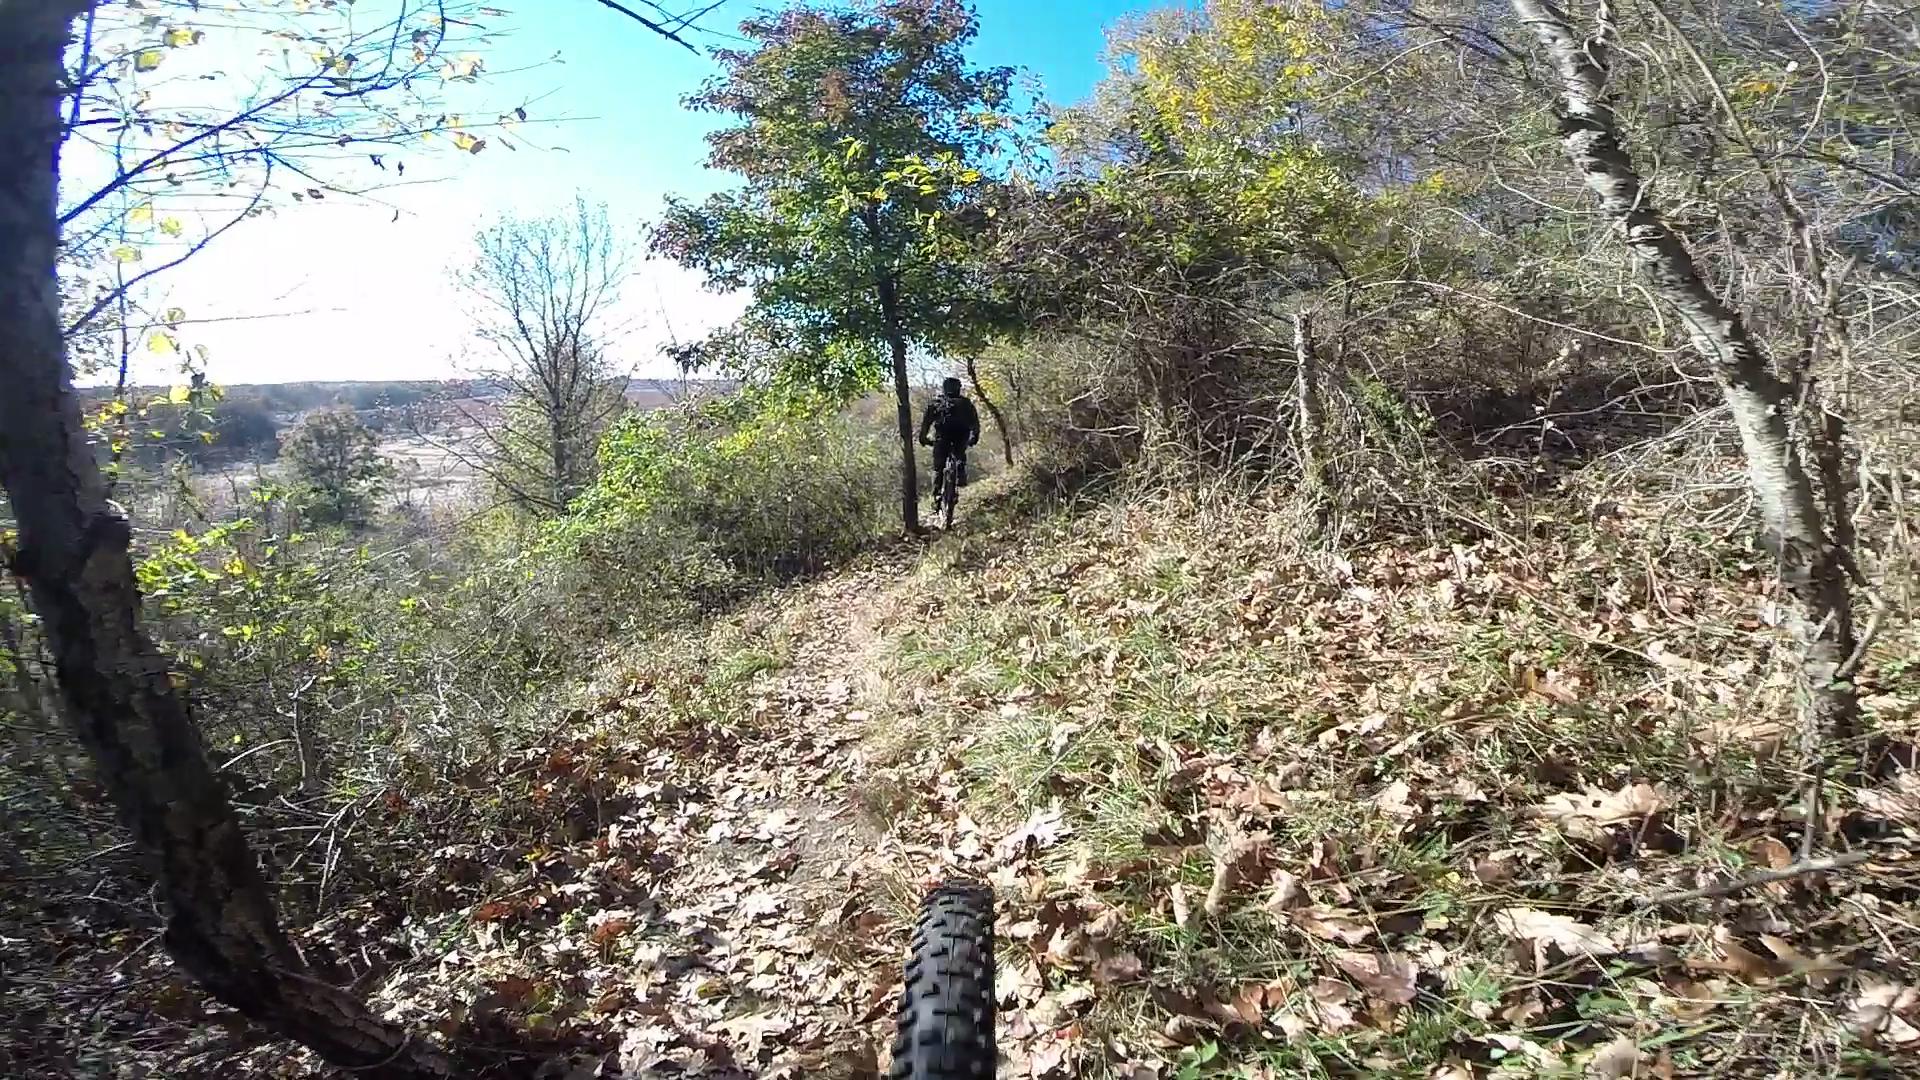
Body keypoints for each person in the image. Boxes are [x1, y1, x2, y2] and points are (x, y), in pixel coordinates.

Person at [918, 376, 981, 491]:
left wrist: (923, 438)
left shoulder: (936, 402)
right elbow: (975, 424)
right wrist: (974, 438)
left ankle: (937, 495)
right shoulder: (966, 403)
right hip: (961, 437)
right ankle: (960, 474)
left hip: (942, 437)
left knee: (938, 466)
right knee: (960, 454)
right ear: (958, 389)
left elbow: (926, 423)